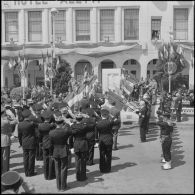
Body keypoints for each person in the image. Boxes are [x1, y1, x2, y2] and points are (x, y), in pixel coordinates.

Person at [49, 112, 72, 191]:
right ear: (62, 123)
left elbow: (50, 144)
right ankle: (63, 186)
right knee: (63, 169)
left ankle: (58, 186)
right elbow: (71, 130)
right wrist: (67, 122)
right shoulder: (65, 131)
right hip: (63, 150)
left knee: (57, 169)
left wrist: (51, 153)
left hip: (55, 151)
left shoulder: (51, 132)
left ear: (55, 123)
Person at [95, 109, 116, 173]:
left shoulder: (98, 123)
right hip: (109, 139)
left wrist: (96, 141)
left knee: (102, 155)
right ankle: (108, 168)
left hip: (101, 140)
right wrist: (110, 115)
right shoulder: (110, 122)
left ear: (101, 115)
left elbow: (96, 133)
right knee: (108, 155)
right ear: (107, 115)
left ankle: (102, 169)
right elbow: (116, 120)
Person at [18, 109, 37, 177]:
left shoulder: (20, 124)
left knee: (25, 158)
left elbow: (19, 135)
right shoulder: (32, 124)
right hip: (31, 141)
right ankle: (31, 172)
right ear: (29, 116)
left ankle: (26, 172)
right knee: (31, 158)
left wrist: (20, 143)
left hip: (24, 142)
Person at [70, 113, 89, 181]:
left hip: (76, 143)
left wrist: (71, 146)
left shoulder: (72, 126)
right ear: (82, 119)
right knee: (83, 160)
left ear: (76, 119)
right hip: (83, 143)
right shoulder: (84, 126)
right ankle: (83, 176)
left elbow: (70, 137)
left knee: (77, 161)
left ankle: (78, 176)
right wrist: (85, 117)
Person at [38, 110, 56, 180]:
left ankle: (46, 175)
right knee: (51, 158)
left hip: (44, 143)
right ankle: (51, 175)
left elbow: (39, 136)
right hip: (51, 143)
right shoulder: (52, 125)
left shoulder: (40, 126)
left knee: (45, 160)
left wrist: (40, 143)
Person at [1, 106, 18, 174]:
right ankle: (5, 171)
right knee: (5, 157)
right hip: (5, 139)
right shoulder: (5, 121)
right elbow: (15, 122)